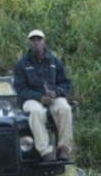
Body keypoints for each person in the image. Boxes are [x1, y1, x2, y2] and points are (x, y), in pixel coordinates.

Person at [13, 30, 74, 161]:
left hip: (53, 97)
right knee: (36, 112)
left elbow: (65, 83)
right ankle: (45, 151)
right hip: (31, 99)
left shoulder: (54, 61)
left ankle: (63, 149)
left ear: (44, 41)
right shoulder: (22, 64)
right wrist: (40, 97)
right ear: (29, 43)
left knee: (65, 109)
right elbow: (21, 89)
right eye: (33, 40)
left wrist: (56, 92)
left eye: (39, 40)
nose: (36, 43)